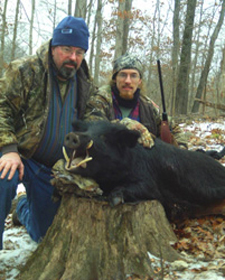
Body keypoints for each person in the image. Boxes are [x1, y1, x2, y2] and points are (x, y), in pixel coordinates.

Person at [0, 16, 95, 249]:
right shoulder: (26, 70)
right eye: (67, 49)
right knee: (3, 179)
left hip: (52, 167)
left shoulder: (84, 84)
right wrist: (8, 150)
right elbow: (2, 106)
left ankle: (22, 209)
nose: (73, 58)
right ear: (54, 47)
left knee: (44, 235)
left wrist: (79, 160)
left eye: (80, 52)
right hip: (20, 155)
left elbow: (90, 124)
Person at [84, 52, 184, 145]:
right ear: (115, 78)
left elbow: (175, 130)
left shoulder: (148, 106)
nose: (128, 81)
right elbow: (93, 126)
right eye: (123, 75)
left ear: (139, 80)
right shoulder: (100, 99)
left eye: (133, 76)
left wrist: (182, 150)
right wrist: (124, 125)